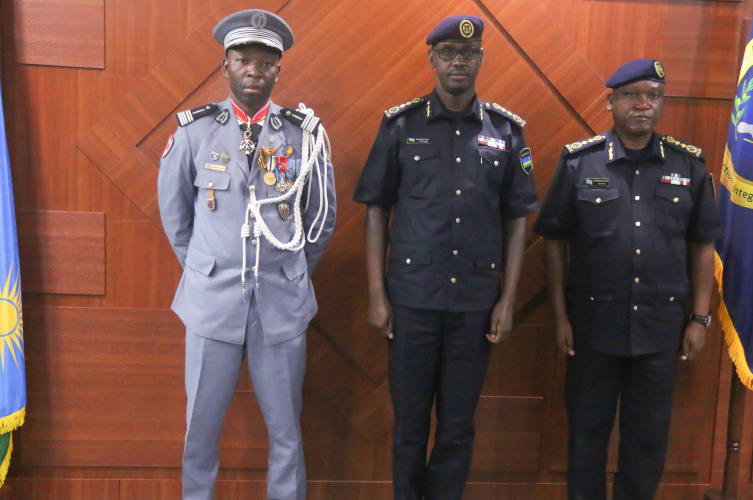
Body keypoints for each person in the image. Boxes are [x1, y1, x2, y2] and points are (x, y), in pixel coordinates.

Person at [353, 15, 538, 500]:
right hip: (411, 303)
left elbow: (517, 219)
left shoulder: (506, 131)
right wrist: (377, 295)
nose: (460, 61)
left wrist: (507, 300)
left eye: (469, 53)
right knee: (409, 427)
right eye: (449, 52)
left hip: (475, 306)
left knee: (457, 427)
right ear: (432, 59)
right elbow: (376, 209)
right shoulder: (401, 125)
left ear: (481, 60)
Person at [156, 9, 336, 500]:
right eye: (243, 60)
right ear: (225, 66)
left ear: (278, 69)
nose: (254, 70)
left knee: (287, 435)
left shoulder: (303, 135)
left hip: (281, 305)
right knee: (200, 431)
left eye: (265, 62)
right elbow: (176, 217)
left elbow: (320, 219)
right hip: (211, 304)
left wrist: (288, 271)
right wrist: (208, 268)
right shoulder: (194, 132)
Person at [533, 59, 722, 500]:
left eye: (653, 96)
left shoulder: (688, 164)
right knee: (586, 437)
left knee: (647, 442)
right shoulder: (580, 162)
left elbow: (702, 246)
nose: (643, 104)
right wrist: (560, 317)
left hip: (660, 330)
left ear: (662, 103)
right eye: (632, 95)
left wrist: (699, 319)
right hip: (592, 329)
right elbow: (554, 241)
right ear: (611, 102)